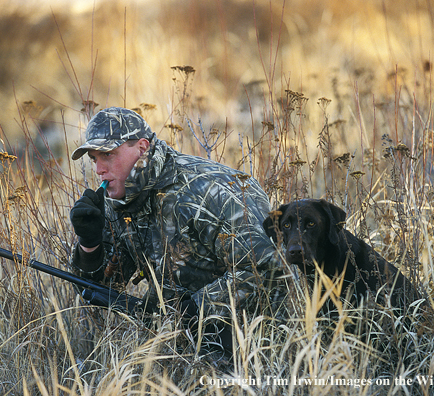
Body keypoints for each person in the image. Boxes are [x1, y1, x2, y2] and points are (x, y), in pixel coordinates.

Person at [69, 107, 287, 355]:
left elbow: (270, 269)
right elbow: (103, 290)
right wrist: (90, 243)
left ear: (142, 148)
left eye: (108, 155)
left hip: (256, 346)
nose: (99, 169)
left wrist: (194, 311)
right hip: (179, 347)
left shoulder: (210, 190)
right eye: (94, 159)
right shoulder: (117, 202)